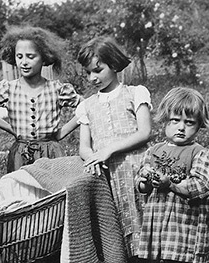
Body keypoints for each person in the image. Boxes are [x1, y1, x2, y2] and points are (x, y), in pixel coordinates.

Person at [76, 36, 152, 261]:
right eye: (88, 72)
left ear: (114, 65)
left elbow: (144, 132)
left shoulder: (134, 93)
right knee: (113, 232)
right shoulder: (87, 106)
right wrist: (94, 158)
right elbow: (84, 147)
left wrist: (109, 150)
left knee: (144, 226)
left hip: (137, 171)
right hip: (107, 178)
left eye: (98, 70)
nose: (92, 78)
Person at [0, 25, 82, 173]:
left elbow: (87, 107)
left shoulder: (57, 89)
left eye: (31, 56)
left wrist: (63, 131)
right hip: (21, 154)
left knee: (50, 191)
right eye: (19, 56)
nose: (24, 62)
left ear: (44, 58)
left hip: (50, 154)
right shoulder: (9, 88)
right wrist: (9, 128)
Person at [135, 87, 209, 263]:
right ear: (165, 120)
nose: (181, 127)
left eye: (189, 123)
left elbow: (201, 187)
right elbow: (141, 188)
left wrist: (170, 185)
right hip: (156, 228)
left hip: (184, 230)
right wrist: (146, 180)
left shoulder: (202, 154)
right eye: (175, 120)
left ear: (199, 125)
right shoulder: (153, 151)